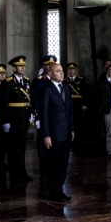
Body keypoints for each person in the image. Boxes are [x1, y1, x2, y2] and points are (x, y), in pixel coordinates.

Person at [37, 62, 75, 201]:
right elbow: (44, 114)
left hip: (65, 132)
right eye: (58, 71)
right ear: (51, 74)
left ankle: (60, 189)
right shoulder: (46, 90)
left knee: (63, 164)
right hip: (53, 133)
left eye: (62, 70)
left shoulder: (65, 87)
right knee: (53, 163)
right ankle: (54, 191)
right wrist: (46, 135)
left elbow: (69, 110)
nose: (62, 73)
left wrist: (72, 129)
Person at [2, 56, 33, 183]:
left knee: (22, 147)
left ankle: (22, 172)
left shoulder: (26, 81)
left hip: (24, 119)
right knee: (13, 148)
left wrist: (31, 114)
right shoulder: (8, 82)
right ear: (14, 68)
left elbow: (28, 100)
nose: (23, 67)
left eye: (23, 65)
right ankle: (14, 173)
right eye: (20, 66)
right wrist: (5, 121)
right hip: (13, 120)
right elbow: (4, 104)